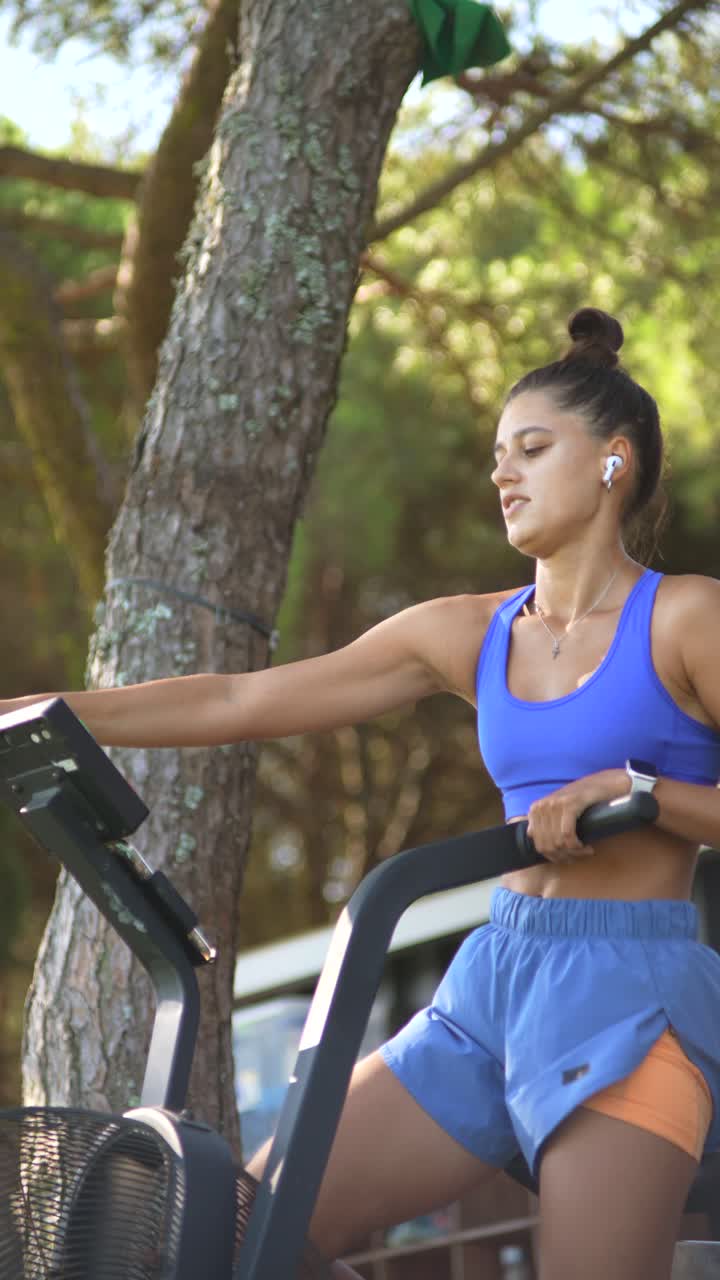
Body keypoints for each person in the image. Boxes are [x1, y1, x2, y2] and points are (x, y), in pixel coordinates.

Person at [4, 307, 720, 1280]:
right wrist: (49, 708)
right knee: (241, 1234)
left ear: (614, 461)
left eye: (533, 448)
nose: (501, 473)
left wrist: (641, 792)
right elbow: (240, 695)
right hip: (491, 985)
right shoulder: (471, 631)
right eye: (497, 454)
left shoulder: (686, 617)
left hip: (628, 1000)